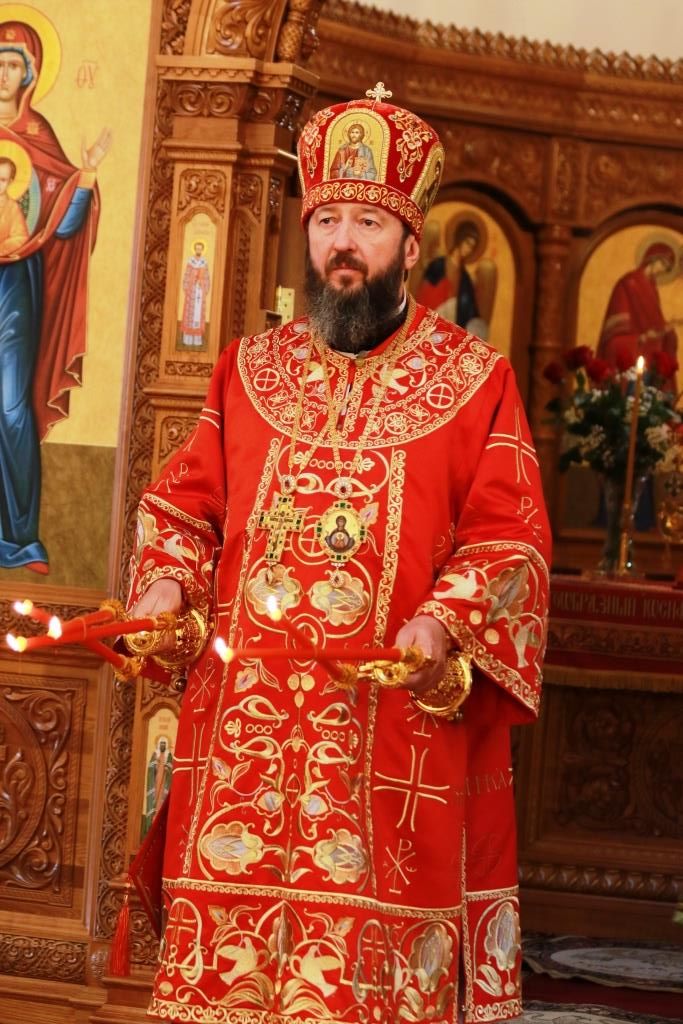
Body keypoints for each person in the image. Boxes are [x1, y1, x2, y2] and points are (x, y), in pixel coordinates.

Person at [127, 85, 550, 1023]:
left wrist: (442, 622)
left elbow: (509, 536)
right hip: (242, 742)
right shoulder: (247, 371)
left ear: (409, 241)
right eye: (326, 221)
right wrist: (165, 586)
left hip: (389, 736)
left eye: (367, 222)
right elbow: (184, 507)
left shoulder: (474, 381)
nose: (342, 244)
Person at [0, 19, 110, 573]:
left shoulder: (39, 136)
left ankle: (18, 538)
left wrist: (85, 174)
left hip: (14, 286)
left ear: (30, 73)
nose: (2, 73)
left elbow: (61, 226)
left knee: (10, 405)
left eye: (12, 64)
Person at [596, 240, 679, 368]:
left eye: (667, 269)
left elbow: (654, 324)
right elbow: (615, 332)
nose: (662, 270)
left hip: (649, 354)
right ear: (653, 258)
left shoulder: (652, 288)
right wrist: (642, 337)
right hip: (633, 351)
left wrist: (666, 329)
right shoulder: (628, 283)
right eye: (663, 264)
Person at [180, 240, 211, 347]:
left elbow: (207, 277)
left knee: (198, 314)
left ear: (202, 250)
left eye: (200, 249)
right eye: (197, 248)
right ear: (195, 249)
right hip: (191, 291)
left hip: (200, 292)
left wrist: (203, 285)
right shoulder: (190, 262)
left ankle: (197, 340)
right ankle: (187, 339)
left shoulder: (204, 263)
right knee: (190, 314)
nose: (198, 250)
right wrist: (190, 284)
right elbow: (186, 275)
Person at [0, 156, 29, 255]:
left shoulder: (12, 208)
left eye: (2, 180)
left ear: (10, 182)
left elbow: (21, 237)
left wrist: (2, 248)